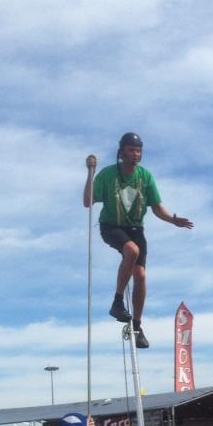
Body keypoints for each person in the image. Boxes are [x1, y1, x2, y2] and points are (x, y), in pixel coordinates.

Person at [83, 133, 193, 349]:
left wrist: (172, 220)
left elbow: (157, 208)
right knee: (131, 252)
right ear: (122, 152)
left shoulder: (145, 177)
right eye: (131, 150)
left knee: (141, 275)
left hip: (135, 228)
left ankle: (137, 325)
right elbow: (88, 201)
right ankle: (117, 302)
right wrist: (90, 173)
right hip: (111, 226)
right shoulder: (108, 175)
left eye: (138, 150)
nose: (136, 154)